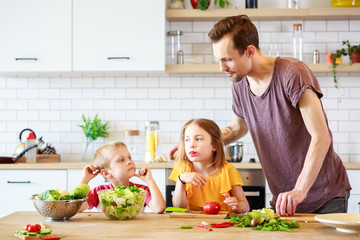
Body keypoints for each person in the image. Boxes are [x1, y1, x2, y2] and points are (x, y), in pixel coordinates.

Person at [170, 15, 351, 216]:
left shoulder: (292, 73)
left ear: (249, 51)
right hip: (284, 199)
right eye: (218, 60)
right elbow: (237, 129)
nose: (221, 68)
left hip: (324, 197)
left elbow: (321, 136)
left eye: (227, 59)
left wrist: (300, 189)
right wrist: (199, 144)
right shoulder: (239, 85)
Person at [169, 118, 250, 214]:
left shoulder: (228, 170)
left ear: (214, 145)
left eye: (198, 139)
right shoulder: (183, 168)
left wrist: (237, 206)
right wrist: (181, 180)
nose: (191, 144)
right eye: (187, 140)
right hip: (192, 223)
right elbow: (178, 207)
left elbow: (245, 206)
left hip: (222, 224)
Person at [78, 141, 166, 213]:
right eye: (121, 160)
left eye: (129, 157)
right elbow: (77, 207)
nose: (129, 162)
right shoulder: (99, 192)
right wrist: (84, 180)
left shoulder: (141, 191)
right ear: (106, 173)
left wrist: (150, 180)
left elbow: (159, 208)